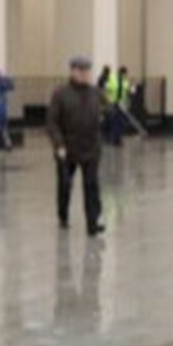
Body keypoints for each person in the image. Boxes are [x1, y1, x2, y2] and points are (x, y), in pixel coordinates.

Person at [48, 56, 105, 236]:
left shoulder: (96, 93)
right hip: (67, 149)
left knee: (91, 185)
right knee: (65, 184)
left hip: (91, 148)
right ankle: (63, 215)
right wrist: (59, 144)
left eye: (87, 70)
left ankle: (93, 222)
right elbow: (52, 122)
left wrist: (106, 115)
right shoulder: (60, 93)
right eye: (80, 70)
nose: (84, 74)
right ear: (72, 71)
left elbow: (108, 109)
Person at [104, 65, 130, 147]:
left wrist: (126, 101)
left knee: (121, 122)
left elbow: (126, 92)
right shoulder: (112, 79)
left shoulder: (125, 81)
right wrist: (108, 100)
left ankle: (117, 138)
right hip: (113, 103)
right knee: (114, 121)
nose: (126, 75)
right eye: (125, 74)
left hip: (121, 103)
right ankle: (113, 139)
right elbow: (106, 89)